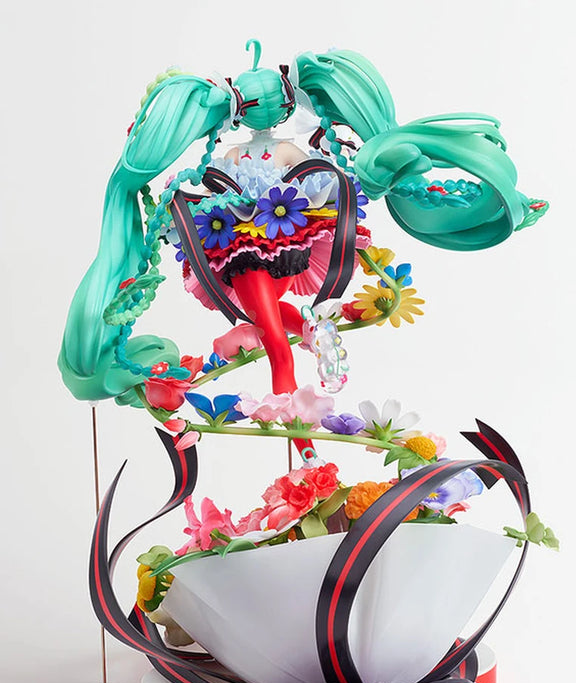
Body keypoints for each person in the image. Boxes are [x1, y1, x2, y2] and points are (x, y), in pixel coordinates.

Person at [59, 41, 546, 445]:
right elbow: (282, 185)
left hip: (267, 238)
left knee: (270, 333)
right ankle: (311, 338)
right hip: (256, 239)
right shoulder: (258, 151)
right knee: (266, 319)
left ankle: (293, 408)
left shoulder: (254, 151)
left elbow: (315, 183)